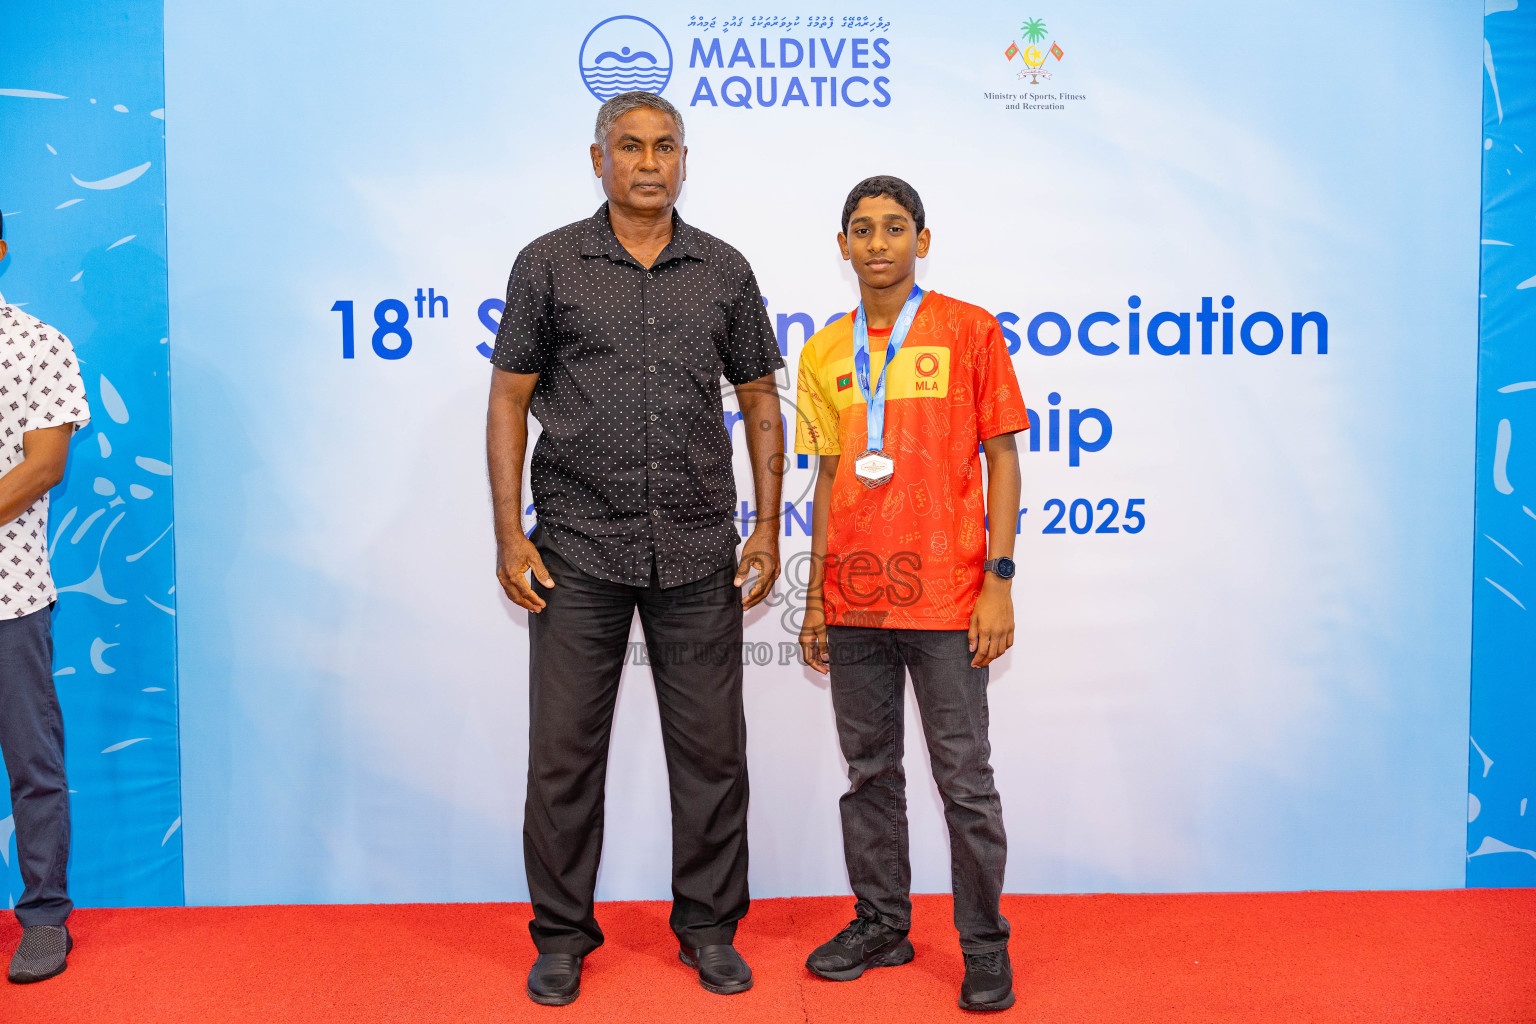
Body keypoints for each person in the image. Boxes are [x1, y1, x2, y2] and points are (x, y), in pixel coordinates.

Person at [485, 91, 785, 1006]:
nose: (649, 163)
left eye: (665, 147)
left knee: (712, 756)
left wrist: (769, 525)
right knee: (564, 758)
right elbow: (508, 401)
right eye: (630, 147)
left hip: (698, 549)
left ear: (685, 160)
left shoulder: (724, 270)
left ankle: (706, 929)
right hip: (576, 548)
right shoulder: (548, 265)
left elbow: (762, 403)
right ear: (597, 158)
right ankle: (562, 937)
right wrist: (508, 533)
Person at [794, 177, 1027, 1012]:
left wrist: (998, 581)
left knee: (965, 781)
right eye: (862, 229)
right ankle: (882, 922)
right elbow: (823, 478)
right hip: (856, 597)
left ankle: (984, 946)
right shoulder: (825, 350)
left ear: (922, 241)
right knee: (869, 773)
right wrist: (818, 597)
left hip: (949, 597)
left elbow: (1003, 459)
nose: (879, 242)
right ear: (843, 246)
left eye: (895, 228)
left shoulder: (970, 329)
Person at [0, 212, 93, 984]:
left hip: (10, 597)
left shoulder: (39, 345)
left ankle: (43, 920)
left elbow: (43, 467)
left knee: (33, 763)